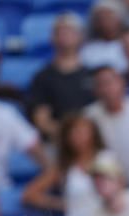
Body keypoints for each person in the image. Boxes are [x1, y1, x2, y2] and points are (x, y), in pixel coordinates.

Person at [23, 113, 105, 216]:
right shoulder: (64, 167)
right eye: (74, 132)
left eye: (83, 131)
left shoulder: (106, 160)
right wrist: (63, 203)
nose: (78, 136)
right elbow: (29, 195)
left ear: (93, 134)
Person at [27, 13, 95, 143]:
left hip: (91, 142)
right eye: (60, 32)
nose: (65, 36)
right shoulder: (42, 77)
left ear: (80, 36)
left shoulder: (92, 75)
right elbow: (41, 120)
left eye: (70, 31)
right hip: (58, 143)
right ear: (52, 39)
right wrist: (70, 137)